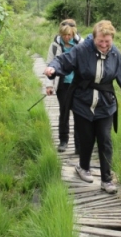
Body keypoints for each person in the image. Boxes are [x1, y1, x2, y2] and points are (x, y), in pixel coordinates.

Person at [44, 20, 121, 194]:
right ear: (94, 38)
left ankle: (106, 180)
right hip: (82, 101)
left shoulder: (115, 54)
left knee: (105, 139)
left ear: (112, 39)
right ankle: (83, 167)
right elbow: (63, 60)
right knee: (86, 138)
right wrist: (52, 69)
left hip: (105, 103)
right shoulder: (82, 49)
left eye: (108, 41)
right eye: (101, 41)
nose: (104, 45)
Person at [45, 19, 84, 154]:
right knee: (64, 112)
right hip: (62, 84)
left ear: (74, 33)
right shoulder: (55, 46)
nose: (67, 38)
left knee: (79, 114)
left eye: (69, 35)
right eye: (64, 35)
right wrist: (49, 85)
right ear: (61, 34)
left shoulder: (81, 43)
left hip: (78, 84)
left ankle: (79, 146)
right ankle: (63, 141)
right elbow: (50, 64)